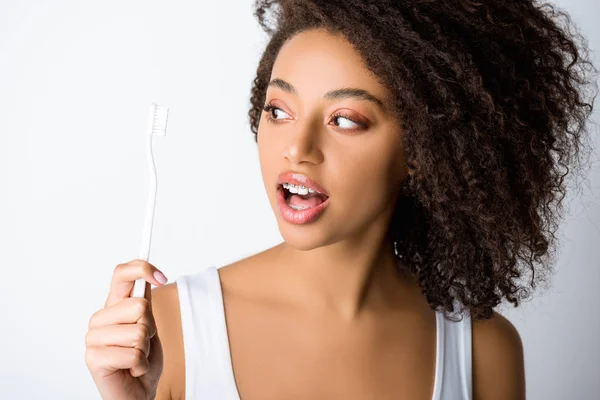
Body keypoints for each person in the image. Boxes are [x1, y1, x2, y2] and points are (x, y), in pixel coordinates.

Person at [85, 0, 597, 399]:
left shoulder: (485, 353)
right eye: (279, 110)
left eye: (345, 120)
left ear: (423, 149)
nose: (297, 149)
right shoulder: (166, 329)